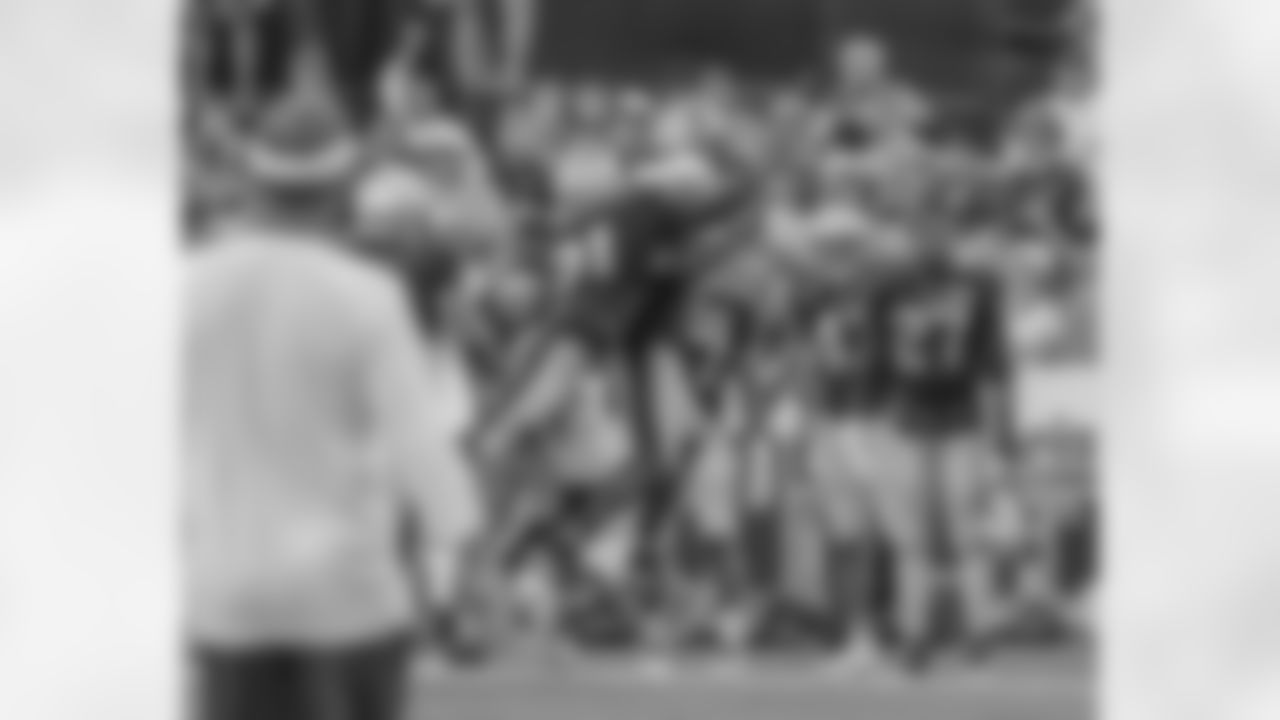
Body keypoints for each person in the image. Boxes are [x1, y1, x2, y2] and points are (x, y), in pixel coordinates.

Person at [184, 222, 483, 720]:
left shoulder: (196, 283)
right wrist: (461, 541)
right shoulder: (369, 303)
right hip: (347, 594)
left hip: (235, 592)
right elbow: (423, 450)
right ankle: (444, 619)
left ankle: (443, 616)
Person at [874, 219, 1016, 668]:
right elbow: (878, 361)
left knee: (965, 529)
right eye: (923, 234)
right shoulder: (889, 289)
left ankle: (979, 629)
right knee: (911, 533)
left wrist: (1004, 429)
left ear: (951, 240)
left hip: (959, 419)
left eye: (938, 234)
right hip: (910, 419)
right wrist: (874, 418)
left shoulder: (977, 288)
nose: (930, 244)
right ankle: (915, 633)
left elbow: (995, 362)